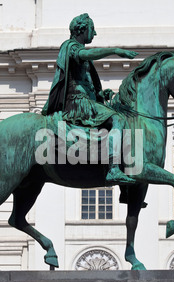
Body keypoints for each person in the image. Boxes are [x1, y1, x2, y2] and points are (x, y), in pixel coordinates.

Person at [42, 13, 138, 184]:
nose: (94, 34)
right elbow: (86, 56)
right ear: (82, 29)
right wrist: (114, 51)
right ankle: (113, 168)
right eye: (92, 29)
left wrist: (101, 95)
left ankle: (126, 184)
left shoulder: (79, 51)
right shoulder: (70, 47)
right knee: (119, 119)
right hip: (77, 102)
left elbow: (86, 83)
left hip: (87, 100)